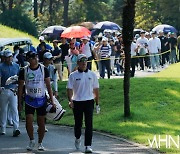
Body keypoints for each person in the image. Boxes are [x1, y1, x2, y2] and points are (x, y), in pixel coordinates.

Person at [18, 51, 55, 151]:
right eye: (30, 58)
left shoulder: (44, 69)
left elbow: (48, 86)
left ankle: (40, 142)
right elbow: (20, 88)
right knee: (29, 121)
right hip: (29, 99)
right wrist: (19, 103)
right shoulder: (24, 71)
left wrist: (52, 101)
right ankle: (31, 140)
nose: (32, 60)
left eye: (34, 58)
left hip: (41, 99)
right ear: (28, 60)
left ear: (37, 58)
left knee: (41, 122)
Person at [67, 54, 100, 153]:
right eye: (82, 61)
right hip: (77, 101)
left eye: (85, 61)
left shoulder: (92, 74)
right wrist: (70, 100)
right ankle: (77, 138)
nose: (84, 63)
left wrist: (97, 103)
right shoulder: (73, 75)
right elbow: (69, 89)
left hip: (89, 101)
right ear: (78, 63)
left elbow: (96, 89)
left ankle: (88, 145)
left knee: (89, 124)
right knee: (78, 123)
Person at [0, 50, 20, 136]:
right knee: (3, 110)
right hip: (4, 90)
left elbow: (19, 78)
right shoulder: (1, 66)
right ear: (4, 58)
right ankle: (3, 128)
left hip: (13, 90)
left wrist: (18, 87)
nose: (9, 58)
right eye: (7, 57)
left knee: (14, 109)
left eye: (10, 56)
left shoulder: (16, 66)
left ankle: (16, 128)